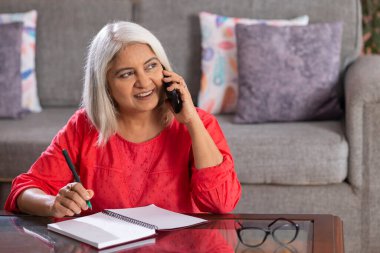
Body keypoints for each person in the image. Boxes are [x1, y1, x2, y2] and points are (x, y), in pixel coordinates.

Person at [5, 21, 241, 218]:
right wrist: (53, 203)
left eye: (151, 66)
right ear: (104, 85)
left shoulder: (200, 124)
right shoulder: (84, 126)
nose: (144, 81)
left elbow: (221, 203)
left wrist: (191, 121)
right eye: (126, 74)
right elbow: (23, 189)